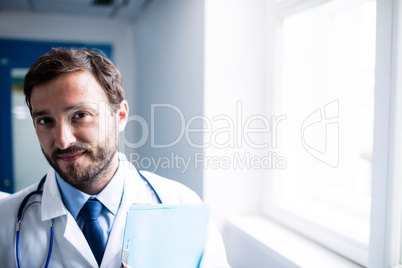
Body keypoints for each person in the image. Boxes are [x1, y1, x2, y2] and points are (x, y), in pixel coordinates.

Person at [0, 48, 230, 268]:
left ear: (120, 116)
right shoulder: (6, 220)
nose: (63, 141)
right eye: (45, 121)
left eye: (80, 115)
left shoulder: (182, 205)